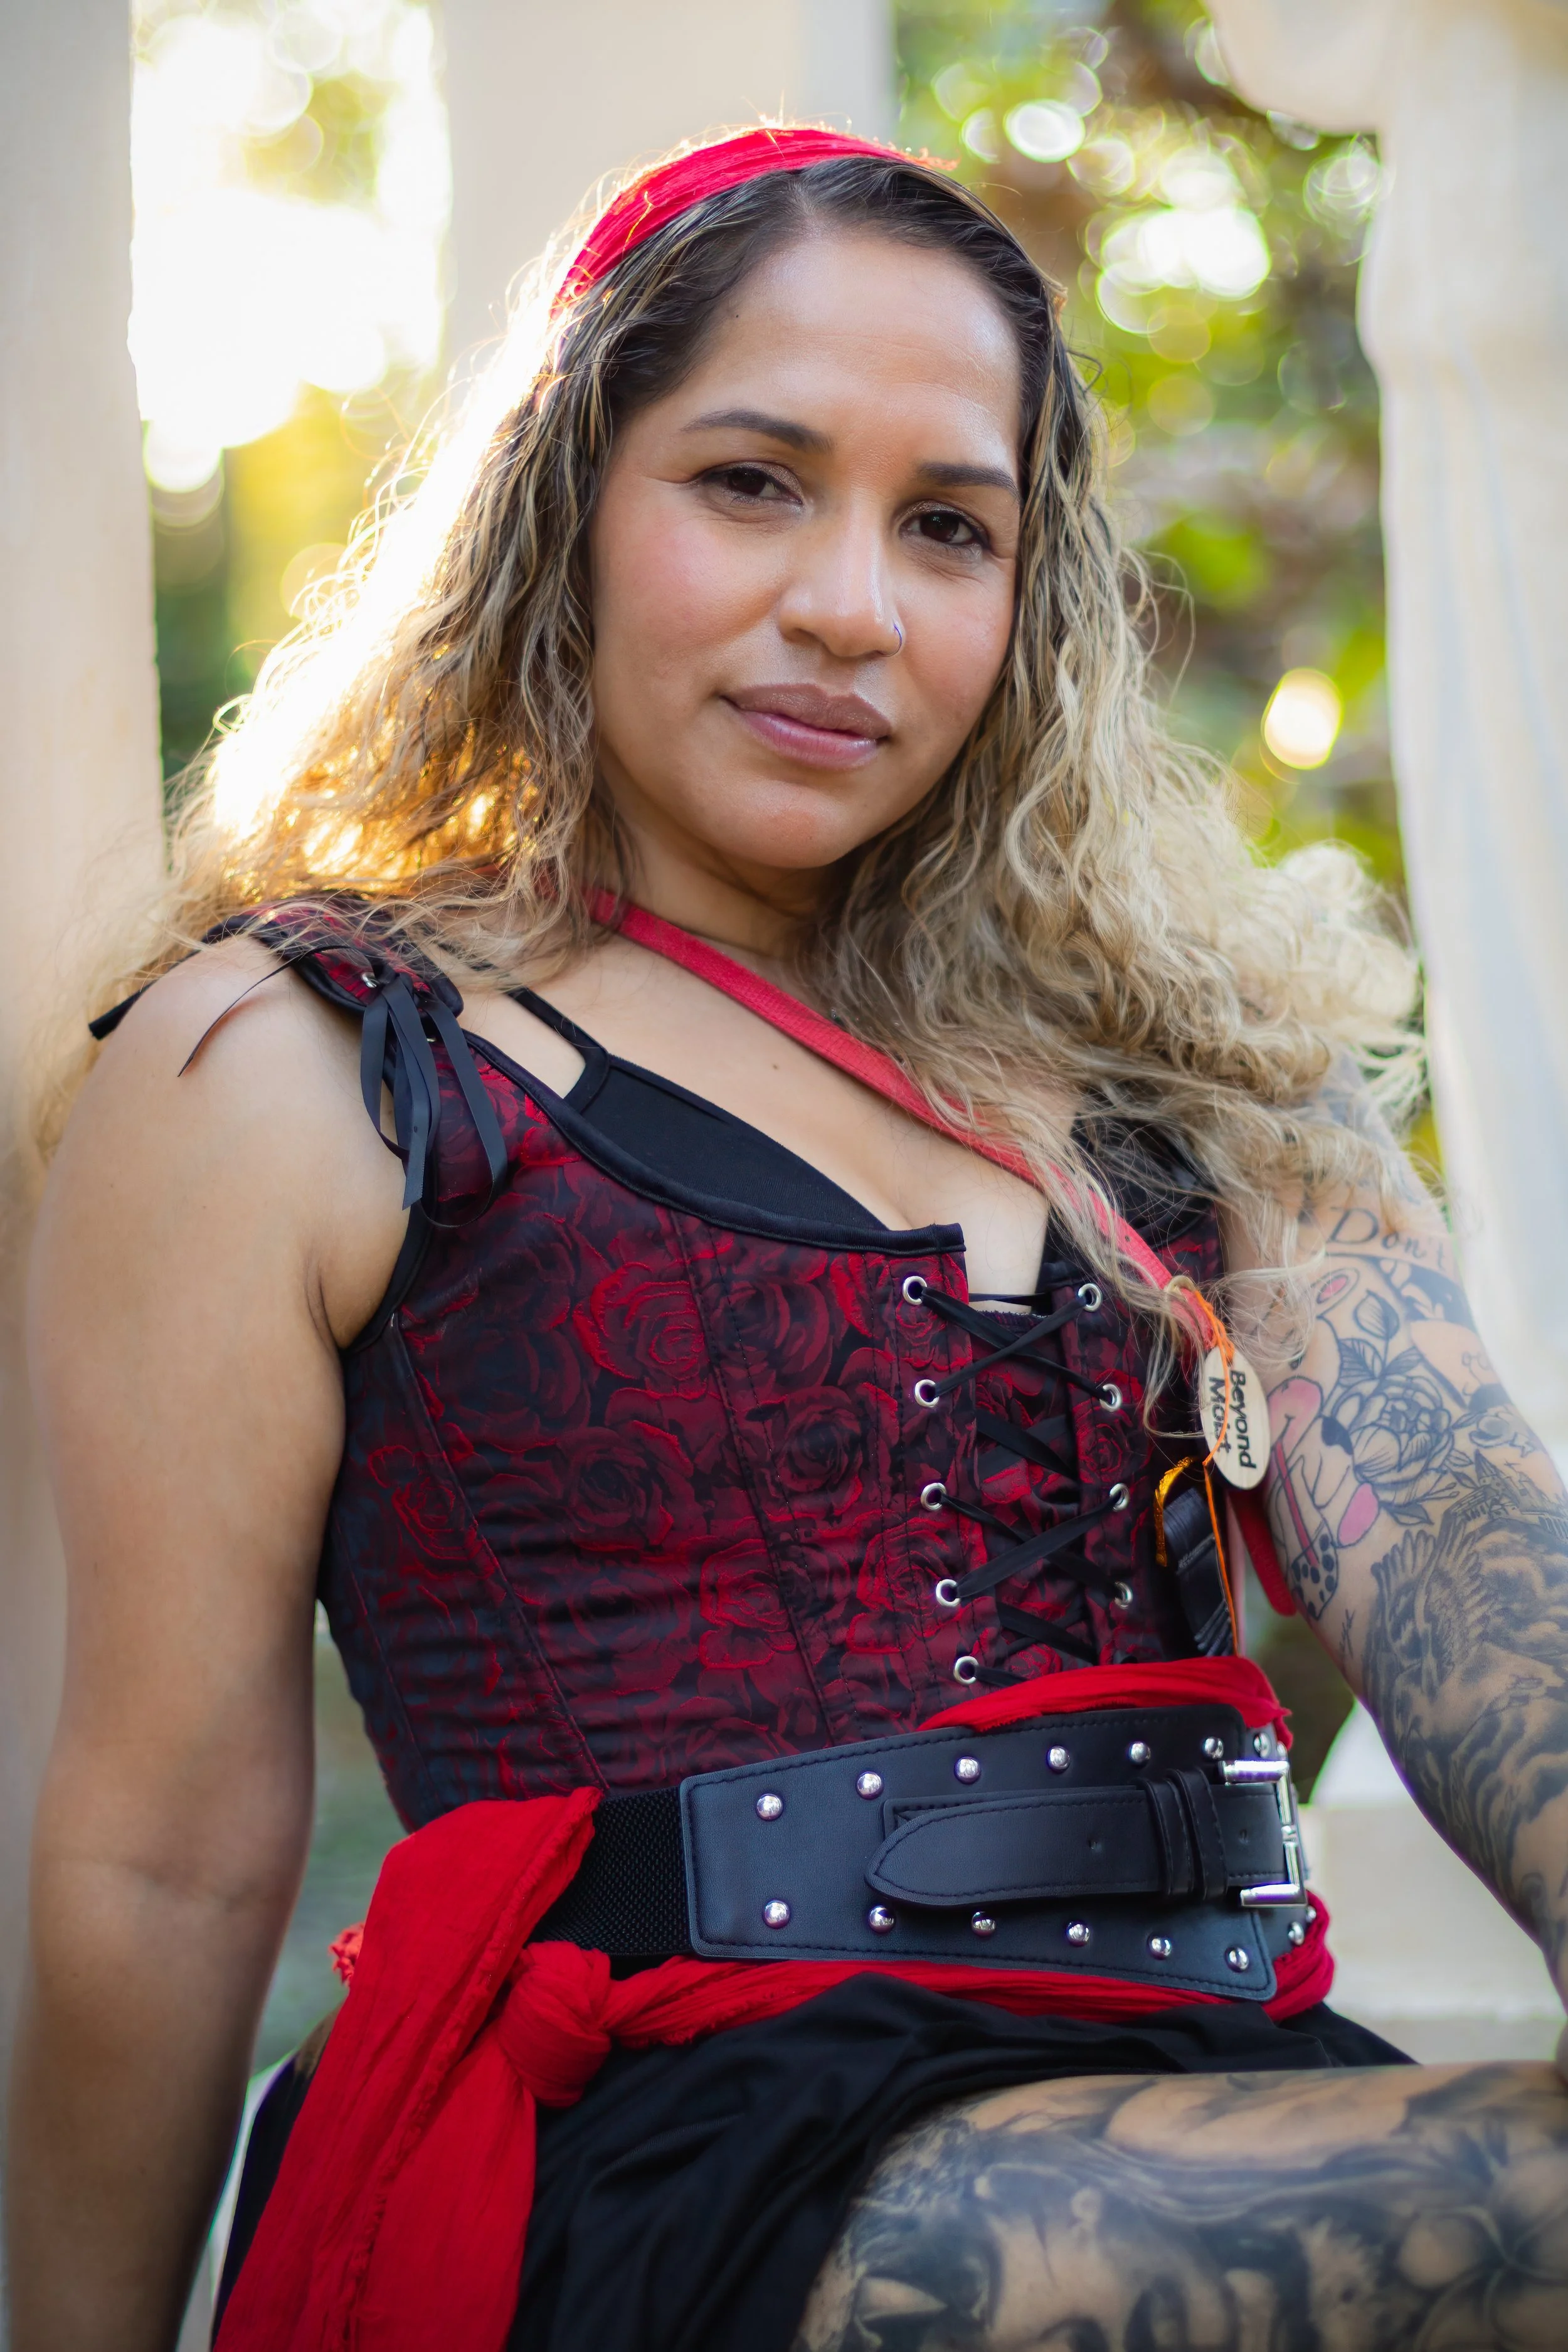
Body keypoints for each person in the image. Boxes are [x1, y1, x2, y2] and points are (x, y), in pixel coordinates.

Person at [9, 124, 1568, 2352]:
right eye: (750, 480)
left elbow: (1462, 1537)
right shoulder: (302, 1066)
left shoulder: (1196, 1072)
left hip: (1204, 2112)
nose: (852, 601)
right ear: (563, 501)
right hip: (674, 2171)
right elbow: (159, 1857)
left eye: (948, 525)